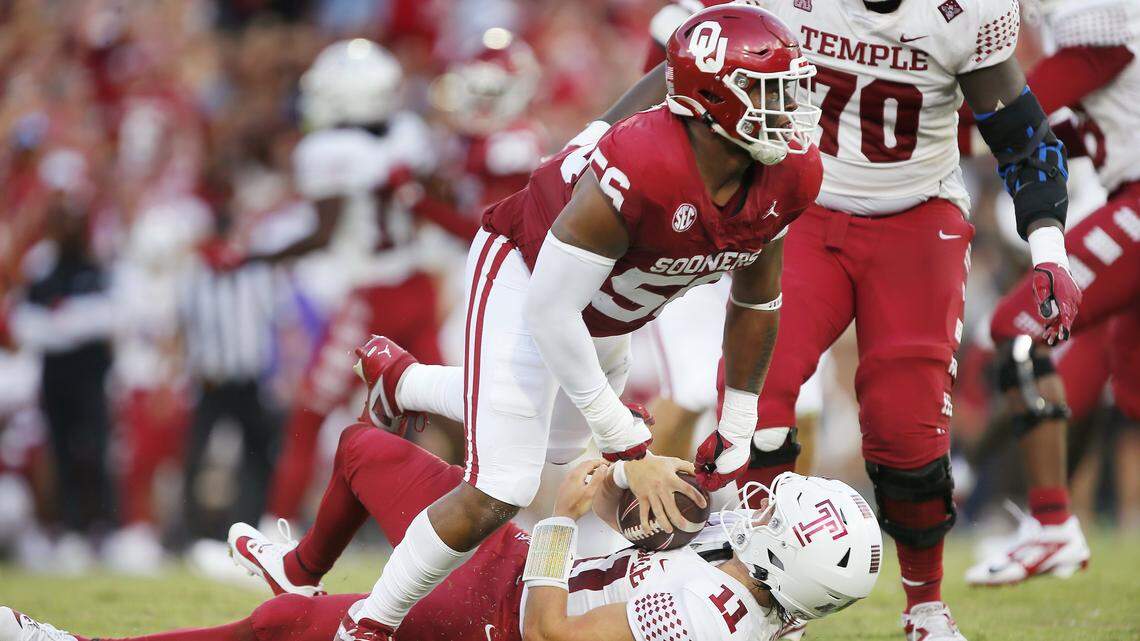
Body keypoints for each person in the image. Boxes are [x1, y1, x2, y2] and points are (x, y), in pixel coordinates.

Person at [330, 5, 826, 640]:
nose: (787, 108)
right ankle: (368, 624)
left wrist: (738, 426)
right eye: (763, 89)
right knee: (502, 487)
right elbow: (550, 311)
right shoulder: (646, 163)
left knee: (559, 455)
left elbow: (756, 302)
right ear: (709, 101)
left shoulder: (787, 172)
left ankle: (402, 383)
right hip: (527, 272)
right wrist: (628, 443)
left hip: (611, 306)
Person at [649, 0, 1082, 639]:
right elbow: (698, 64)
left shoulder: (969, 12)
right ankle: (764, 599)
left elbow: (1020, 135)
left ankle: (925, 608)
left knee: (907, 430)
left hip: (918, 216)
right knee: (754, 398)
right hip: (802, 206)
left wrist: (1050, 250)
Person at [0, 424, 882, 641]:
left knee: (281, 632)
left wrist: (559, 522)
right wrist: (629, 478)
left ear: (784, 560)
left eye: (779, 519)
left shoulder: (699, 620)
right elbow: (686, 540)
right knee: (359, 449)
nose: (761, 507)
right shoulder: (759, 587)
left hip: (499, 611)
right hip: (507, 579)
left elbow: (549, 634)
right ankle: (301, 568)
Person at [966, 0, 1140, 586]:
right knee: (1133, 391)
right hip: (1125, 196)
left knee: (1015, 326)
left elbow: (1005, 113)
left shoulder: (1106, 39)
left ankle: (1052, 523)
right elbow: (1063, 133)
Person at [257, 39, 460, 524]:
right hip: (418, 286)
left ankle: (276, 527)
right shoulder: (408, 133)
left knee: (310, 413)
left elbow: (323, 233)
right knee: (451, 409)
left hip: (374, 296)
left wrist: (255, 255)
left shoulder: (328, 150)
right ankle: (501, 506)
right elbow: (436, 196)